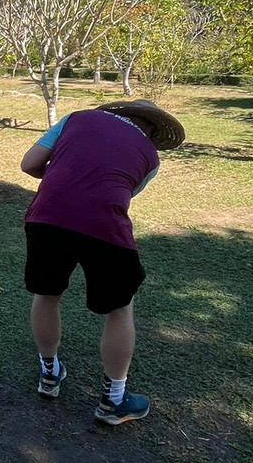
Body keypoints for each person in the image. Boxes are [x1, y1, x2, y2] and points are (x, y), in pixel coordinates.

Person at [19, 99, 185, 425]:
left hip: (46, 217)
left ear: (116, 112)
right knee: (120, 308)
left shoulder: (75, 119)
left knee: (47, 293)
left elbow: (29, 164)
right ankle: (113, 401)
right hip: (104, 227)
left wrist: (58, 176)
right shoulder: (151, 157)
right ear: (152, 129)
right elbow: (120, 193)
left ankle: (49, 374)